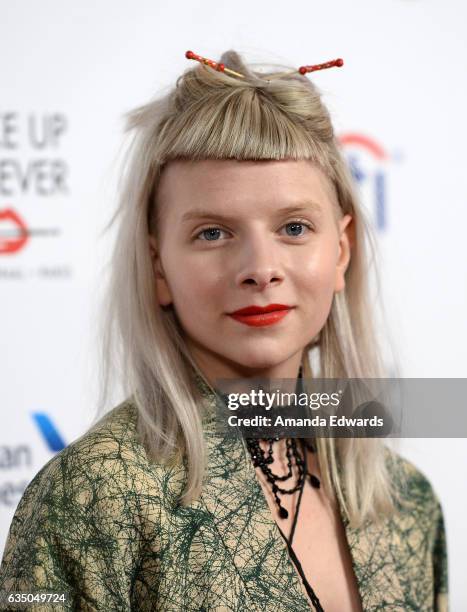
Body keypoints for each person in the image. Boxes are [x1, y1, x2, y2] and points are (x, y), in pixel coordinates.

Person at [0, 49, 448, 612]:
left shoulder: (405, 500)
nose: (260, 267)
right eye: (213, 233)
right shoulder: (94, 493)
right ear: (159, 265)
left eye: (294, 227)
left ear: (342, 250)